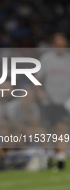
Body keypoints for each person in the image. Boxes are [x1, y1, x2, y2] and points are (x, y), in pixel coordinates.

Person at [37, 33, 70, 170]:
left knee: (62, 127)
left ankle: (61, 157)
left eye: (62, 44)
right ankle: (55, 156)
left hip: (65, 100)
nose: (60, 47)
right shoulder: (46, 59)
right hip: (49, 100)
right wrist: (40, 92)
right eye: (57, 44)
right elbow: (38, 79)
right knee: (52, 129)